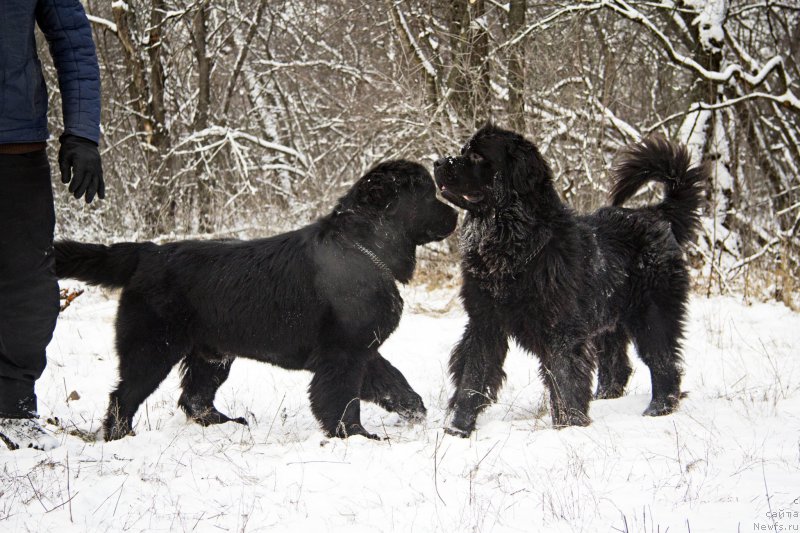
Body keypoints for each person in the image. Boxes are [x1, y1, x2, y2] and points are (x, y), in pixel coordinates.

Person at [0, 0, 104, 451]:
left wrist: (81, 131)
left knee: (26, 286)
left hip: (13, 146)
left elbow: (73, 40)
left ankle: (12, 404)